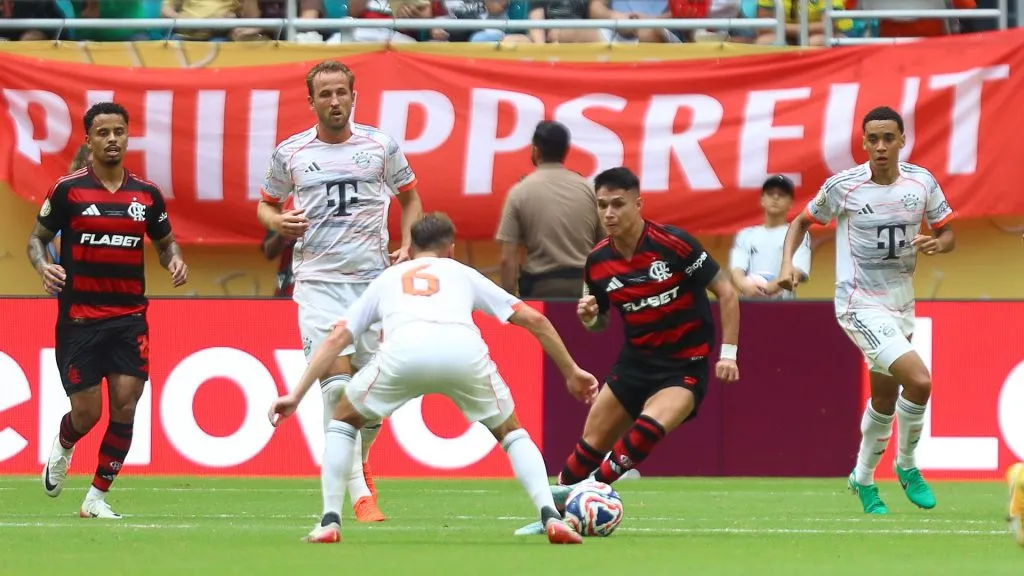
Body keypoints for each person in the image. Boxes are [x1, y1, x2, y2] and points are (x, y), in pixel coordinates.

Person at [268, 212, 597, 545]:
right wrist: (572, 371)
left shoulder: (388, 279)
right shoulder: (463, 273)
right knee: (511, 432)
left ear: (410, 251)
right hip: (463, 353)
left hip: (403, 354)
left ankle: (330, 521)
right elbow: (534, 320)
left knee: (344, 419)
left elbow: (336, 338)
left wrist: (295, 395)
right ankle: (550, 516)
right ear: (451, 250)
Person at [514, 166, 741, 536]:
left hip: (686, 363)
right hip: (635, 363)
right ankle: (554, 517)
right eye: (602, 205)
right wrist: (590, 317)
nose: (609, 214)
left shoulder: (674, 244)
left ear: (639, 204)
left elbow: (727, 291)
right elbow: (600, 319)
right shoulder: (598, 261)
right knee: (584, 452)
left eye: (618, 204)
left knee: (648, 428)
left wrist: (728, 353)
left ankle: (587, 495)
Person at [257, 60, 423, 523]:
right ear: (311, 101)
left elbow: (410, 196)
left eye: (341, 93)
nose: (334, 101)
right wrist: (278, 220)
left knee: (375, 398)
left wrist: (408, 242)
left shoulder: (380, 147)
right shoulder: (290, 153)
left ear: (353, 96)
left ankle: (360, 460)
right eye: (324, 94)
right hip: (316, 283)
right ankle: (357, 492)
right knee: (337, 388)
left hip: (372, 285)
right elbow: (266, 204)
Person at [778, 106, 955, 515]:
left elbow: (948, 234)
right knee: (921, 382)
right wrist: (788, 263)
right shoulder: (845, 186)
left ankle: (862, 478)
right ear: (863, 143)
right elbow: (800, 223)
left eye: (888, 138)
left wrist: (936, 243)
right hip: (858, 302)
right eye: (872, 139)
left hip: (901, 300)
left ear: (902, 140)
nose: (880, 147)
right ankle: (907, 465)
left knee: (885, 399)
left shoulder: (921, 182)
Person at [27, 102, 189, 519]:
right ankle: (64, 446)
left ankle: (96, 498)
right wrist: (44, 266)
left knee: (126, 403)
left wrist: (173, 258)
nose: (112, 139)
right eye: (103, 133)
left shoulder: (147, 194)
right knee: (87, 413)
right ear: (89, 140)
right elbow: (36, 238)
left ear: (127, 135)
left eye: (119, 131)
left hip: (129, 317)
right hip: (79, 319)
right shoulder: (68, 189)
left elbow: (166, 239)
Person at [495, 121, 603, 299]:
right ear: (565, 150)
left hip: (542, 290)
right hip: (586, 291)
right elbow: (606, 245)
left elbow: (508, 260)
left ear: (536, 150)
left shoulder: (520, 192)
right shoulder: (588, 189)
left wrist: (509, 305)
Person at [729, 174, 812, 299]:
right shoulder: (745, 235)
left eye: (782, 194)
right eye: (770, 193)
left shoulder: (798, 234)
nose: (775, 197)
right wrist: (744, 286)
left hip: (782, 305)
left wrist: (768, 288)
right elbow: (737, 269)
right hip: (750, 304)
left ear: (790, 203)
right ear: (762, 200)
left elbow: (798, 270)